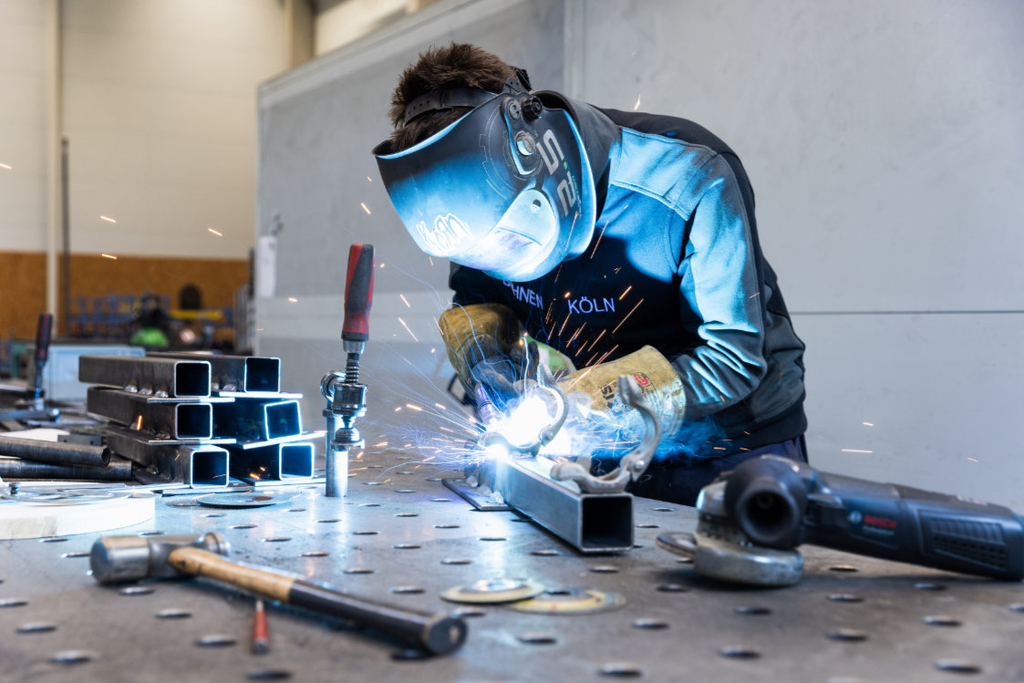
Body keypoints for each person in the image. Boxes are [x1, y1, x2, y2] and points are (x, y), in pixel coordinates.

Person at [373, 44, 807, 505]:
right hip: (603, 444)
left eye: (511, 240)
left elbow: (733, 357)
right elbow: (477, 298)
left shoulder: (688, 175)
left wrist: (587, 403)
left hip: (730, 446)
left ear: (533, 151)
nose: (500, 259)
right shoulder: (469, 207)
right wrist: (489, 366)